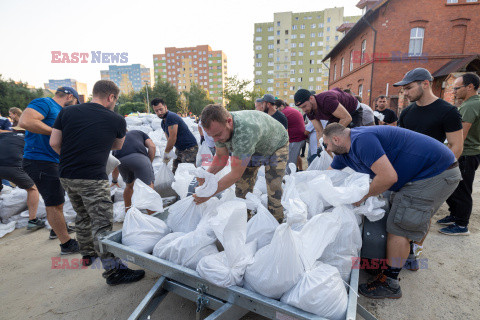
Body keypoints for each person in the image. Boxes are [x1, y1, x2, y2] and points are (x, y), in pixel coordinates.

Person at [323, 123, 461, 299]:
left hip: (435, 173)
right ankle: (408, 258)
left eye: (327, 144)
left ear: (336, 139)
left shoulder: (362, 141)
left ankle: (390, 282)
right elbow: (326, 177)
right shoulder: (344, 151)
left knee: (399, 226)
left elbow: (388, 177)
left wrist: (362, 197)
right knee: (403, 212)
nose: (327, 149)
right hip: (424, 172)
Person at [50, 80, 145, 285]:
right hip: (93, 177)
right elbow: (117, 145)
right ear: (111, 97)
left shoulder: (66, 112)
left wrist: (72, 157)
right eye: (115, 100)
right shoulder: (116, 120)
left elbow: (54, 143)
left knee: (82, 215)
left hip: (66, 174)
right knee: (102, 225)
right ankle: (114, 272)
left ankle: (88, 254)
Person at [193, 104, 289, 222]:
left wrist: (209, 193)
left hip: (276, 145)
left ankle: (275, 224)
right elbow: (221, 157)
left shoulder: (244, 132)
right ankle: (245, 221)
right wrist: (207, 176)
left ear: (229, 122)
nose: (215, 140)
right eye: (212, 136)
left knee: (273, 187)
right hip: (254, 148)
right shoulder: (219, 128)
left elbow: (235, 174)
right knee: (242, 188)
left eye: (217, 135)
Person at [19, 86, 79, 254]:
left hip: (51, 161)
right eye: (75, 101)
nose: (75, 105)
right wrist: (56, 133)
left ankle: (57, 229)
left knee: (57, 200)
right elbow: (25, 121)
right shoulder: (45, 102)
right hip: (40, 161)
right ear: (69, 96)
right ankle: (66, 244)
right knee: (55, 203)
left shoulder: (59, 112)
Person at [438, 73, 480, 235]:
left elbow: (460, 137)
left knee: (461, 189)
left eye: (457, 88)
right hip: (472, 152)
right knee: (454, 187)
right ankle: (455, 215)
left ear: (470, 87)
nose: (454, 91)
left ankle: (462, 225)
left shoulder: (470, 106)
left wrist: (447, 155)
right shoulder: (474, 103)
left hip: (466, 153)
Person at [396, 68, 463, 159]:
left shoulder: (448, 111)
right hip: (410, 167)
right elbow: (400, 143)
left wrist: (441, 169)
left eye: (409, 88)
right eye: (404, 89)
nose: (405, 93)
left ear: (425, 84)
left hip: (434, 167)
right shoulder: (406, 112)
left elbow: (456, 146)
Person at [0, 129, 44, 230]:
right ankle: (33, 221)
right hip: (12, 165)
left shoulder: (7, 134)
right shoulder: (30, 138)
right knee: (32, 188)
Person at [294, 88, 363, 142]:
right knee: (328, 137)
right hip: (334, 115)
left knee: (347, 139)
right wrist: (321, 146)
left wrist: (332, 138)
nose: (304, 110)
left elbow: (347, 118)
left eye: (304, 106)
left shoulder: (326, 100)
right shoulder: (309, 110)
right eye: (301, 108)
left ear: (311, 98)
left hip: (352, 111)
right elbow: (319, 131)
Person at [112, 130, 156, 212]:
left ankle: (128, 213)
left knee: (129, 186)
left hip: (122, 162)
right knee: (148, 187)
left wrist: (114, 180)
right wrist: (148, 162)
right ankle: (153, 217)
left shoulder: (116, 142)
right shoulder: (138, 132)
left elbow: (115, 165)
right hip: (139, 158)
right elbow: (152, 146)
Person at [151, 98, 198, 174]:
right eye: (156, 111)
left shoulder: (171, 117)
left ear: (165, 107)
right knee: (175, 172)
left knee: (188, 174)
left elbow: (173, 138)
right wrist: (169, 152)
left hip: (189, 148)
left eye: (161, 109)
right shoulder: (163, 123)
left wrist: (166, 152)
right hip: (179, 149)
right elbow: (168, 139)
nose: (159, 113)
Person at [275, 99, 305, 173]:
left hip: (295, 139)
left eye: (276, 108)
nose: (275, 111)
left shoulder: (284, 113)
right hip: (300, 138)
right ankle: (299, 171)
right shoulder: (289, 109)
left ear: (281, 106)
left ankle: (288, 178)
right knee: (296, 156)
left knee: (290, 161)